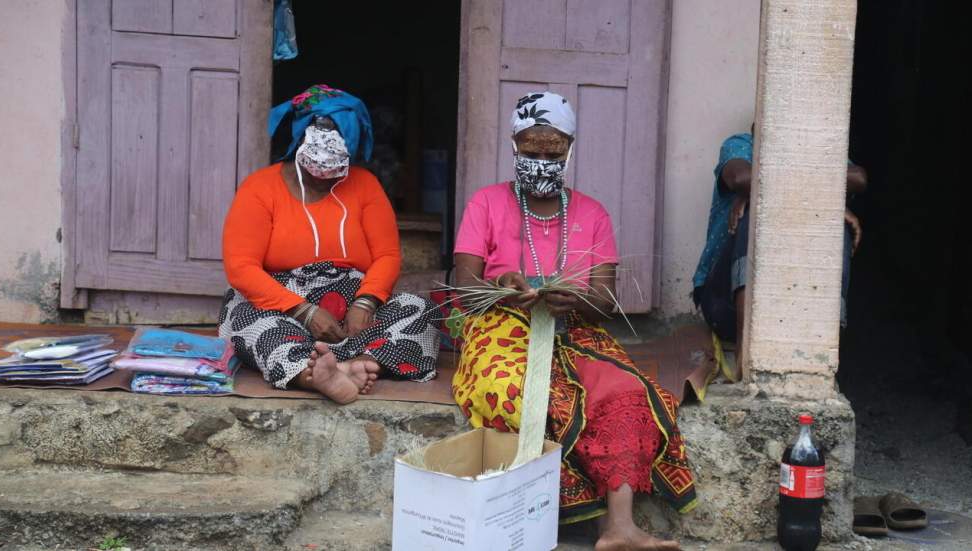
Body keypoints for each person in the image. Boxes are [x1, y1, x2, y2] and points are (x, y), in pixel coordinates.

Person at [451, 92, 696, 551]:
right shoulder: (486, 203)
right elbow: (464, 288)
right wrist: (503, 283)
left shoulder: (591, 212)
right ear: (513, 146)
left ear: (569, 149)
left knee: (625, 391)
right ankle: (552, 515)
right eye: (531, 151)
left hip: (577, 329)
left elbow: (605, 302)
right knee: (518, 392)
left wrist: (575, 300)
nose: (541, 160)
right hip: (501, 326)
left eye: (553, 152)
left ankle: (619, 529)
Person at [218, 84, 440, 404]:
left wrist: (365, 303)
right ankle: (312, 376)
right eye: (315, 168)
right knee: (247, 320)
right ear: (299, 145)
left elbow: (388, 255)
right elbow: (240, 267)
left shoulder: (366, 185)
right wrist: (304, 311)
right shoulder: (260, 188)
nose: (324, 179)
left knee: (420, 311)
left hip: (354, 304)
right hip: (281, 303)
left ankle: (359, 365)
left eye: (335, 169)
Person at [692, 126, 867, 377]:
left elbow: (859, 178)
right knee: (754, 211)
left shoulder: (818, 152)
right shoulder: (741, 144)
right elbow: (741, 178)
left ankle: (822, 350)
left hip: (790, 309)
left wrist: (763, 186)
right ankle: (745, 354)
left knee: (835, 223)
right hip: (723, 304)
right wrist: (825, 191)